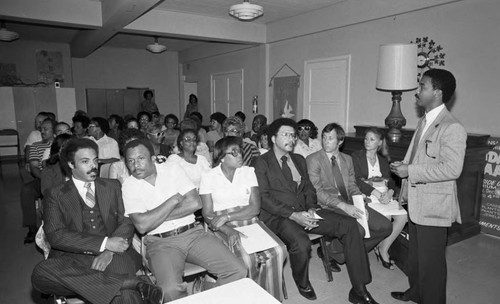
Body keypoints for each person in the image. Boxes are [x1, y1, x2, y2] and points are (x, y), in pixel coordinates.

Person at [252, 118, 380, 304]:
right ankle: (302, 282)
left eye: (292, 135)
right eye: (285, 134)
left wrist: (312, 208)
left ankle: (359, 289)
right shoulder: (261, 162)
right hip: (280, 217)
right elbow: (263, 198)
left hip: (306, 211)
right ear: (273, 138)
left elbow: (309, 189)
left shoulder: (298, 159)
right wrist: (294, 215)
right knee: (302, 244)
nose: (291, 138)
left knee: (350, 225)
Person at [31, 138, 162, 304]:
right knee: (40, 273)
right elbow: (56, 236)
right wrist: (104, 243)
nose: (93, 166)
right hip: (74, 258)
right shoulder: (55, 194)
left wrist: (109, 251)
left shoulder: (113, 186)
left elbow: (126, 221)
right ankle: (132, 283)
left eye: (95, 160)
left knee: (124, 296)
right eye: (85, 161)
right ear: (71, 165)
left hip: (114, 254)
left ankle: (123, 285)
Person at [121, 139, 246, 302]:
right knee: (170, 290)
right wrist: (172, 201)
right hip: (161, 243)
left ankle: (208, 297)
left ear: (152, 158)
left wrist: (152, 216)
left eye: (140, 159)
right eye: (130, 161)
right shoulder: (129, 185)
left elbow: (195, 203)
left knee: (237, 269)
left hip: (193, 233)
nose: (135, 165)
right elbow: (142, 226)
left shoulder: (172, 169)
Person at [390, 69, 467, 304]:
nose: (417, 90)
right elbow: (420, 157)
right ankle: (416, 293)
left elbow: (452, 169)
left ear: (437, 92)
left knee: (432, 265)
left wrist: (410, 171)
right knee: (416, 257)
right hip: (416, 202)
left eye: (422, 86)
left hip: (433, 206)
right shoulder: (425, 120)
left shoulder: (452, 127)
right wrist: (404, 164)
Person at [199, 136, 287, 301]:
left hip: (249, 221)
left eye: (240, 151)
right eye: (234, 152)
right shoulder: (209, 176)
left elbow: (254, 208)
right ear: (222, 157)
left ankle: (268, 297)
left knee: (278, 250)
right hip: (220, 226)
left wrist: (227, 216)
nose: (240, 155)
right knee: (247, 258)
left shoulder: (248, 172)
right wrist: (227, 227)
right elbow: (208, 214)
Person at [306, 123, 392, 260]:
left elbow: (352, 185)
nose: (326, 141)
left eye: (330, 138)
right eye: (324, 137)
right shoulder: (313, 160)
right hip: (329, 204)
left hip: (350, 201)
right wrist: (344, 206)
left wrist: (360, 204)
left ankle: (332, 251)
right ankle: (343, 253)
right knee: (359, 230)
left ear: (340, 141)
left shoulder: (347, 159)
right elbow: (317, 192)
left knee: (385, 227)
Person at [351, 128, 408, 270]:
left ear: (379, 143)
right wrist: (375, 193)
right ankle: (381, 250)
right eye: (366, 139)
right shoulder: (356, 157)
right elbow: (356, 180)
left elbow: (392, 182)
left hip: (384, 195)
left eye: (372, 139)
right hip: (368, 194)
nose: (367, 142)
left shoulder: (382, 160)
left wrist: (389, 193)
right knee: (386, 218)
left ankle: (383, 248)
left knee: (403, 217)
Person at [20, 118, 56, 244]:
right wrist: (46, 179)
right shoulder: (36, 146)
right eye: (41, 129)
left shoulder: (64, 144)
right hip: (42, 178)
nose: (42, 131)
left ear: (54, 131)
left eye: (46, 129)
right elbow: (34, 167)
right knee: (27, 190)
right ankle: (32, 228)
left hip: (62, 178)